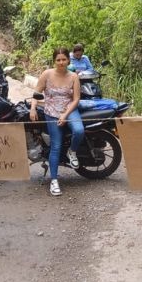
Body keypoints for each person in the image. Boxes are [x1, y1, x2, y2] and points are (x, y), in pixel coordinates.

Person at [29, 47, 84, 196]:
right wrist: (33, 108)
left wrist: (65, 115)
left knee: (79, 131)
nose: (61, 62)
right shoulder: (46, 74)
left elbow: (77, 99)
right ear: (54, 61)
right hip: (51, 112)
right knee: (56, 146)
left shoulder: (73, 76)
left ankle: (72, 151)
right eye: (58, 60)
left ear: (68, 60)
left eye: (64, 59)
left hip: (69, 110)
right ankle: (54, 181)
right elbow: (36, 93)